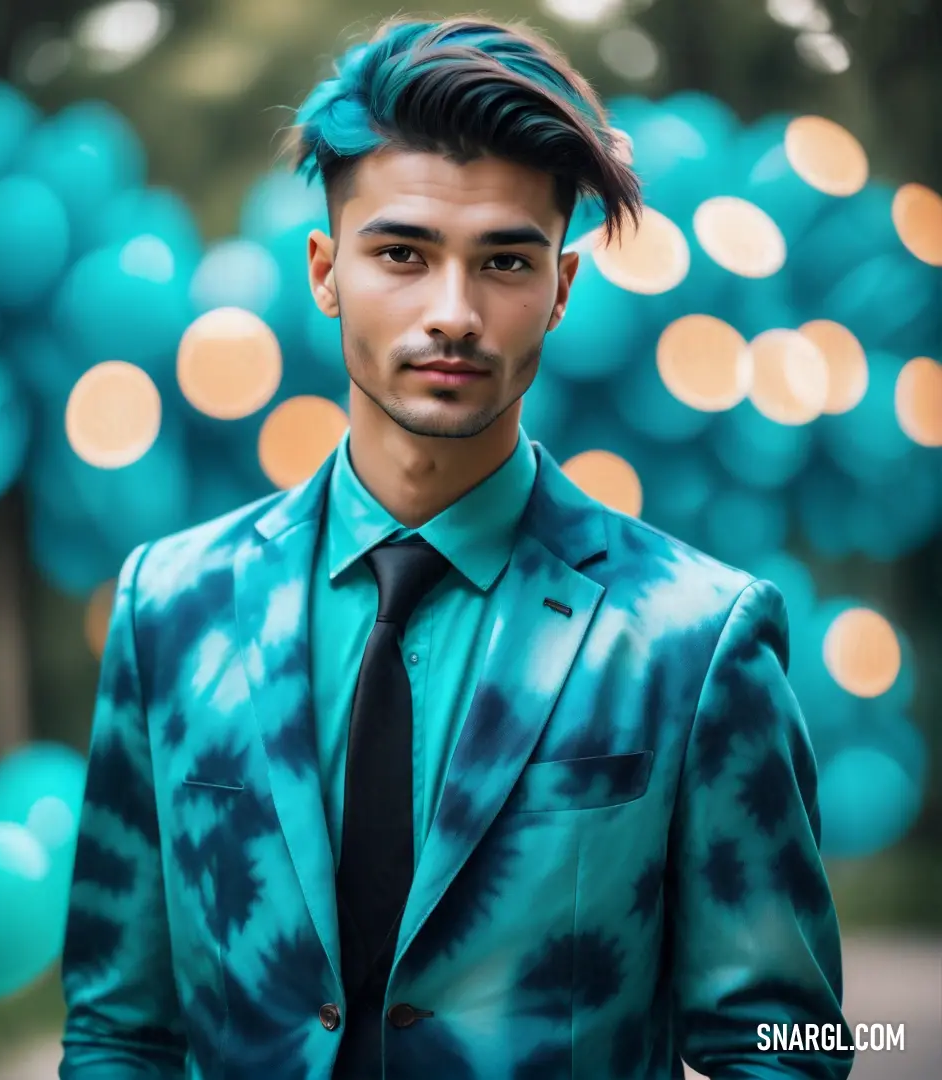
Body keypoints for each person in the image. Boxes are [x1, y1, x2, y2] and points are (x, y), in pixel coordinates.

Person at [58, 15, 854, 1080]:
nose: (454, 312)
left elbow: (787, 1046)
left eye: (505, 261)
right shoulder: (174, 606)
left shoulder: (690, 637)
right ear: (325, 269)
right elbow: (119, 1031)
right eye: (401, 252)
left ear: (560, 288)